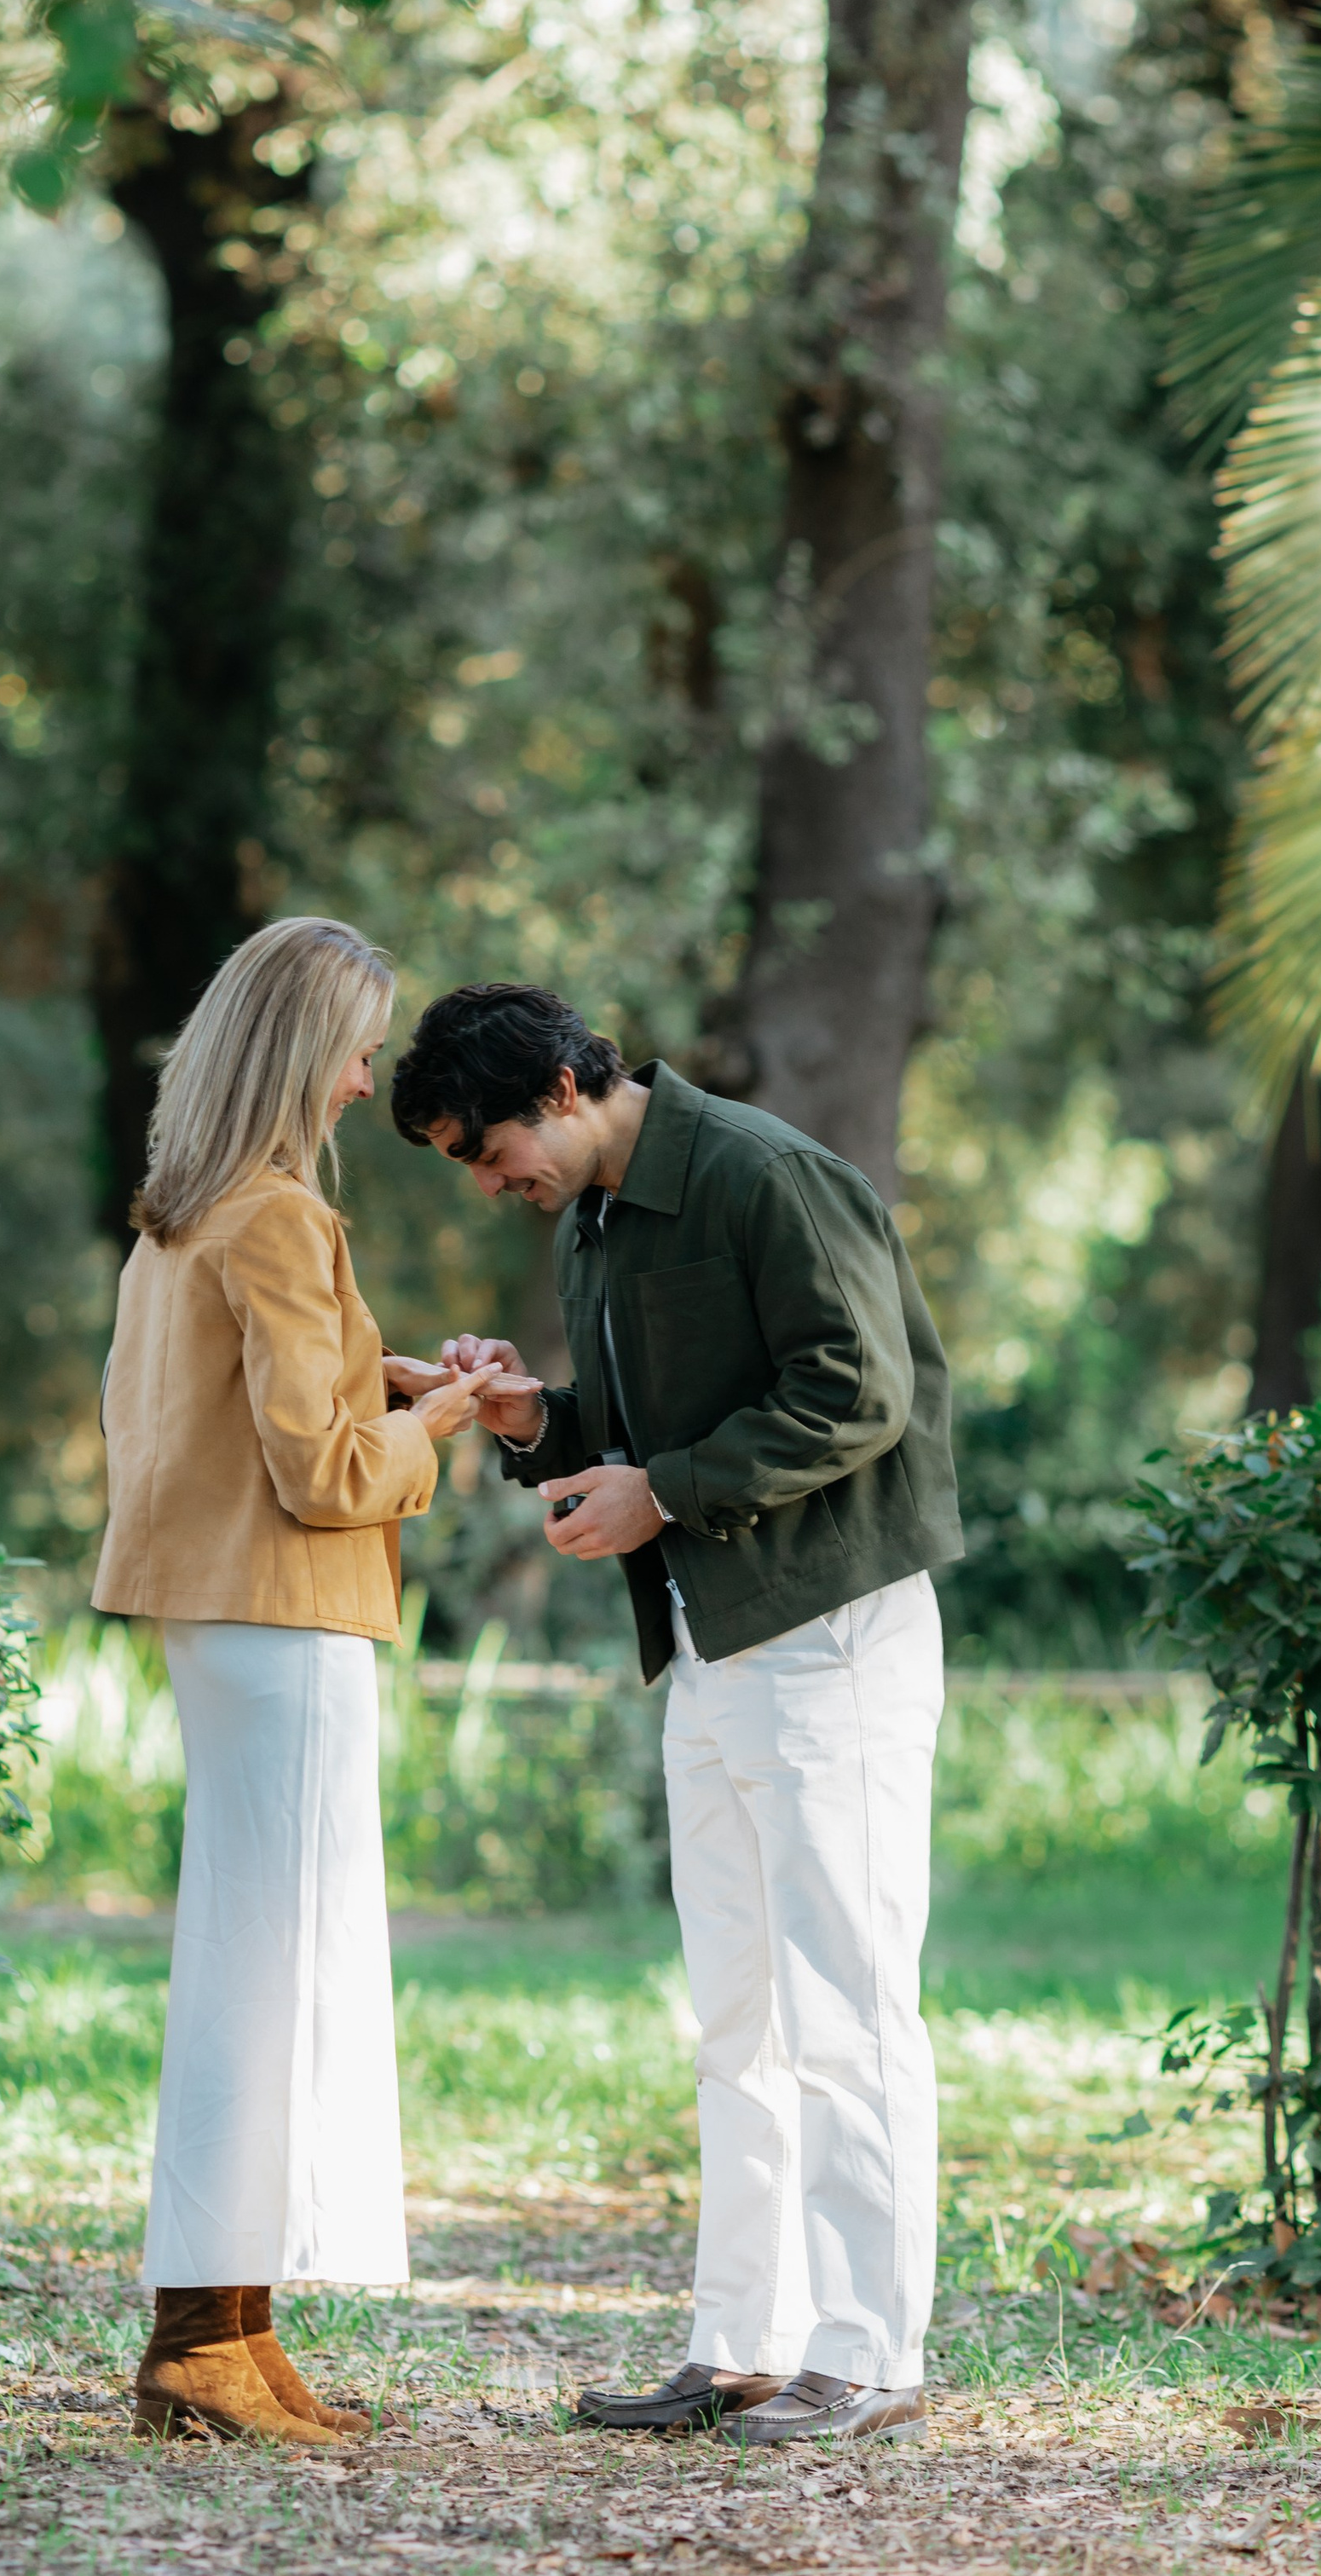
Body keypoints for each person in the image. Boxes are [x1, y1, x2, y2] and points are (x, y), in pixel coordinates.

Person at [388, 986, 960, 2451]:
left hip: (827, 1631)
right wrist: (530, 1423)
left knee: (847, 2003)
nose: (489, 1181)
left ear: (572, 1085)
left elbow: (859, 1387)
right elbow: (639, 1431)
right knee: (737, 2019)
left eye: (491, 1144)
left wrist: (665, 1491)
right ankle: (744, 2345)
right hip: (708, 1646)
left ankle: (871, 2353)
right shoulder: (593, 1219)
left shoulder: (765, 1174)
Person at [93, 916, 491, 2448]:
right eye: (354, 1050)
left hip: (229, 1619)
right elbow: (326, 1475)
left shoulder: (177, 1220)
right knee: (269, 1982)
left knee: (260, 1969)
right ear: (296, 1051)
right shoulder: (273, 1218)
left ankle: (235, 2333)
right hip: (289, 1616)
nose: (361, 1084)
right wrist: (440, 1420)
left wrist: (391, 1381)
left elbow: (212, 1415)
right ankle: (201, 2340)